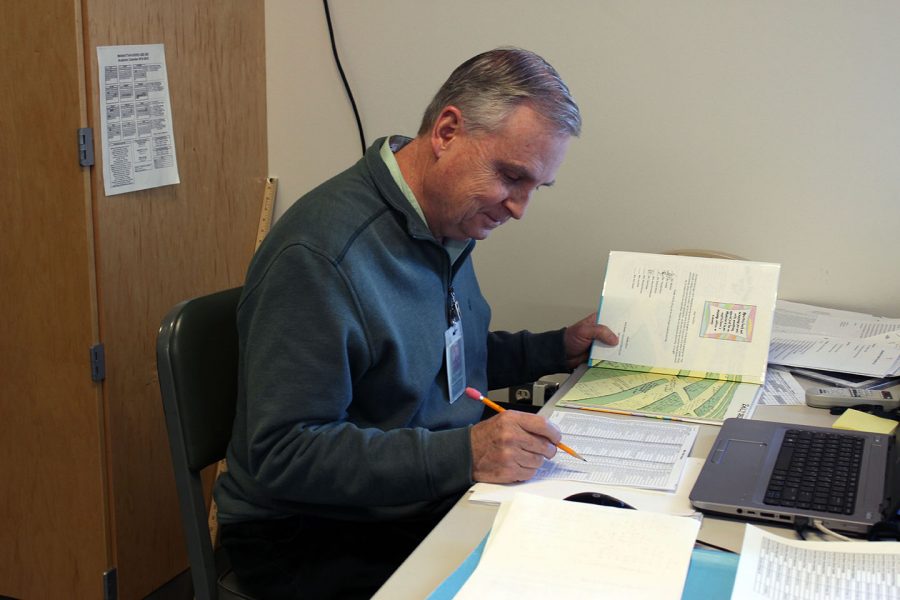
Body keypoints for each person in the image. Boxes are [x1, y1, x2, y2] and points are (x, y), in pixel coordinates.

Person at [214, 47, 618, 599]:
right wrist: (464, 453)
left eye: (534, 188)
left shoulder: (445, 218)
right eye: (510, 177)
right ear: (447, 131)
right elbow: (284, 452)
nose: (519, 207)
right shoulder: (321, 256)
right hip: (309, 531)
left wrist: (552, 349)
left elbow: (435, 356)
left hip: (414, 493)